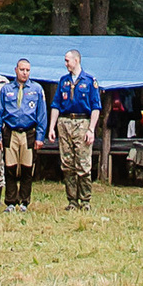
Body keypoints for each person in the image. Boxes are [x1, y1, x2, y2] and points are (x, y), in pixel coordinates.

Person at [0, 57, 48, 213]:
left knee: (27, 168)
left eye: (27, 70)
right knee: (10, 167)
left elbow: (42, 115)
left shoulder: (37, 89)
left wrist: (40, 137)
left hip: (29, 133)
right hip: (11, 133)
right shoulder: (6, 89)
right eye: (22, 70)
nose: (24, 73)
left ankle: (24, 202)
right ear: (16, 70)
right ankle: (11, 201)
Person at [53, 50, 102, 212]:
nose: (66, 63)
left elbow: (96, 107)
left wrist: (91, 129)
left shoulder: (89, 81)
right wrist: (52, 127)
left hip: (82, 122)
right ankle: (72, 200)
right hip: (65, 122)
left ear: (76, 60)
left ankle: (85, 200)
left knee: (83, 163)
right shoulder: (63, 81)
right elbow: (56, 105)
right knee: (67, 164)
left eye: (68, 60)